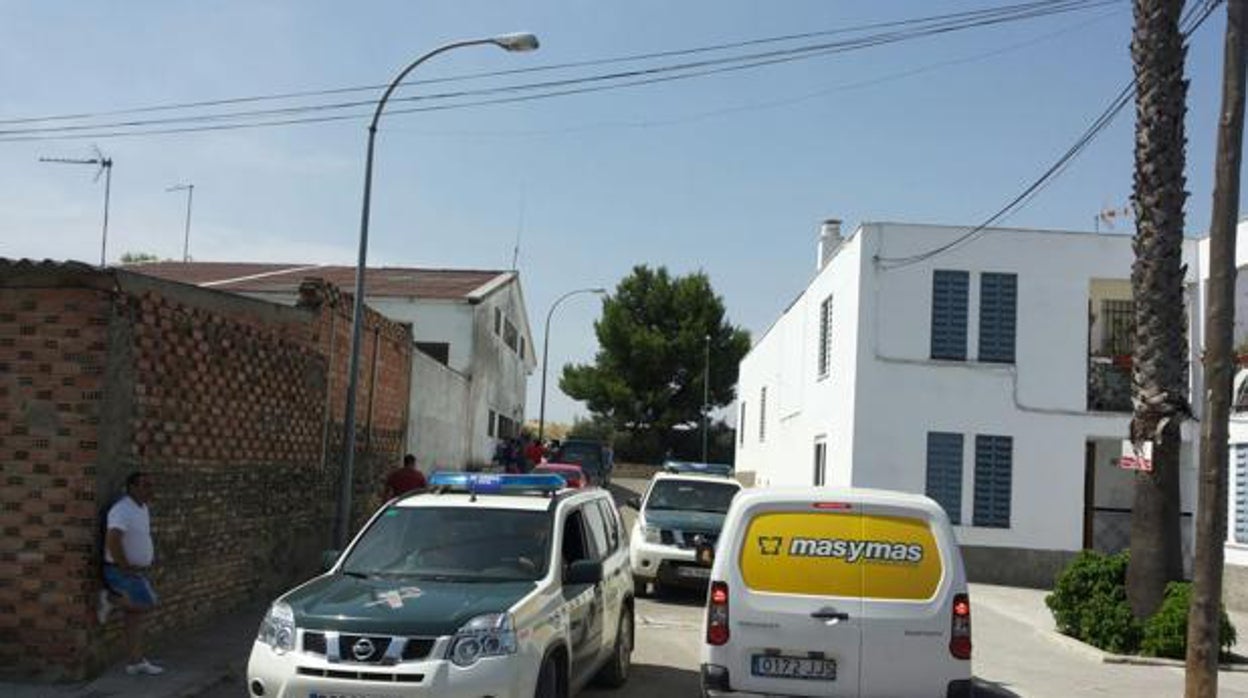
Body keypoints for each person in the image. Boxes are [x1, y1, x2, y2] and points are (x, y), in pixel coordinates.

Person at [98, 472, 164, 676]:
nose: (151, 490)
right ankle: (110, 598)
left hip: (133, 570)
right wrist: (124, 566)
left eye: (152, 485)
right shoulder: (122, 510)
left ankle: (135, 662)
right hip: (120, 570)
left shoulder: (142, 508)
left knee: (134, 616)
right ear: (132, 487)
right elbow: (113, 539)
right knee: (147, 603)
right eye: (146, 485)